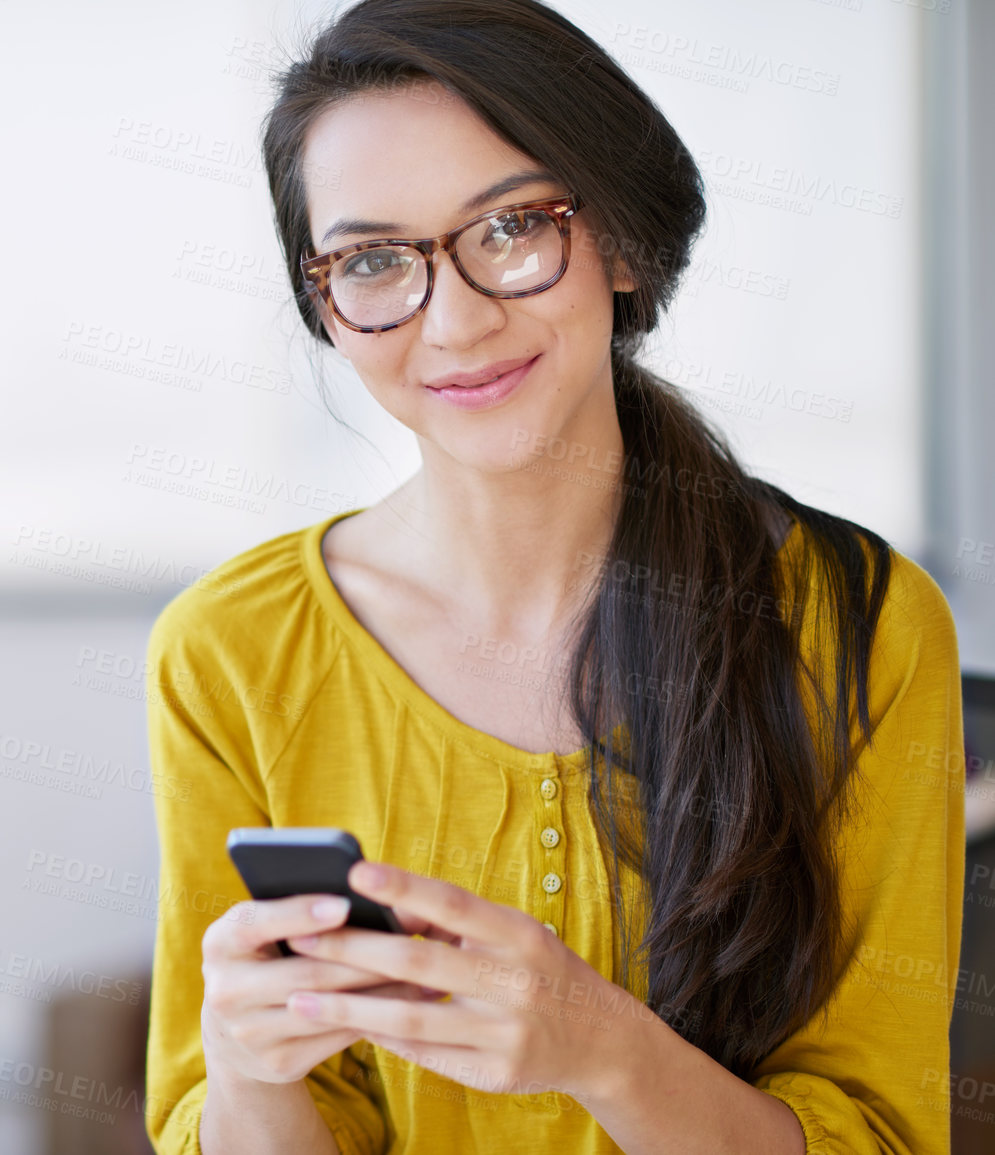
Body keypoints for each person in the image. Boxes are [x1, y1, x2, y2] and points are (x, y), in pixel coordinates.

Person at [140, 1, 966, 1152]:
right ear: (327, 302)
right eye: (375, 260)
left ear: (622, 239)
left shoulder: (858, 621)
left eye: (514, 228)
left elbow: (885, 1135)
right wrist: (249, 1070)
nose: (459, 320)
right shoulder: (225, 652)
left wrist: (600, 1047)